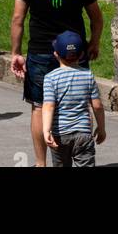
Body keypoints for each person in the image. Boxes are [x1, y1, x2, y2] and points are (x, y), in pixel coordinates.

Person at [11, 0, 103, 167]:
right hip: (74, 53)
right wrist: (94, 42)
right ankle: (80, 157)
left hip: (40, 52)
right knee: (78, 101)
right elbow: (96, 18)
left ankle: (41, 163)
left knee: (40, 106)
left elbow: (17, 20)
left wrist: (15, 53)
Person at [42, 30, 106, 167]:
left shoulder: (50, 78)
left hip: (60, 134)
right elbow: (97, 106)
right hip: (83, 133)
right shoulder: (88, 75)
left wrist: (46, 130)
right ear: (82, 55)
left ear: (56, 54)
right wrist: (101, 128)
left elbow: (48, 106)